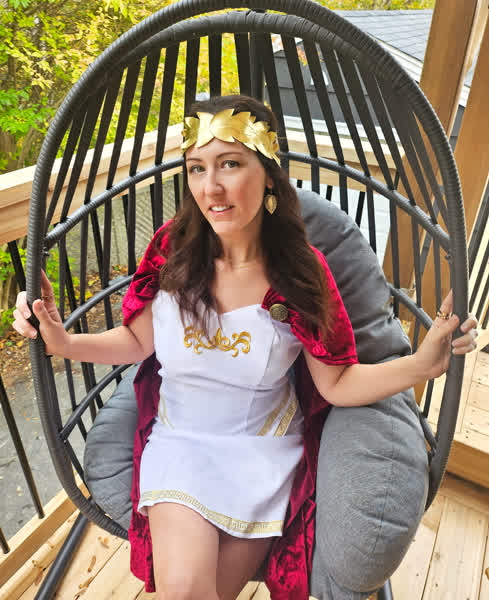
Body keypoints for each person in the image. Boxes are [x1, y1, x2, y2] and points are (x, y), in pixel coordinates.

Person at [13, 94, 478, 600]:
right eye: (197, 168)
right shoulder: (172, 249)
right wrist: (63, 340)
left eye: (230, 164)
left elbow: (337, 382)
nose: (210, 187)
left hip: (263, 453)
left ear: (269, 175)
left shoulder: (301, 273)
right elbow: (136, 340)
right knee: (186, 592)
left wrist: (422, 365)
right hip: (181, 441)